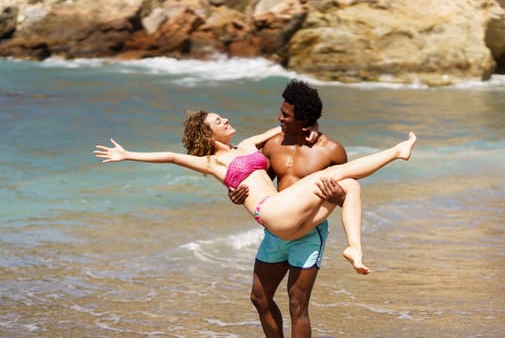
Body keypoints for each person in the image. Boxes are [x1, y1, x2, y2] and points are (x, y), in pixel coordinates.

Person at [93, 108, 416, 276]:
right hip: (271, 212)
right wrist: (128, 154)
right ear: (208, 133)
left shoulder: (247, 145)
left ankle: (354, 249)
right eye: (219, 121)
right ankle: (397, 152)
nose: (226, 120)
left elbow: (282, 127)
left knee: (348, 185)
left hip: (287, 219)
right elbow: (171, 156)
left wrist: (304, 118)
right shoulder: (211, 161)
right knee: (332, 174)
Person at [227, 79, 357, 337]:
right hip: (276, 230)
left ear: (304, 120)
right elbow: (258, 181)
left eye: (286, 115)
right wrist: (237, 194)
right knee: (259, 298)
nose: (279, 118)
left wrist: (339, 196)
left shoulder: (331, 151)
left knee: (298, 306)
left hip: (309, 233)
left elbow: (349, 193)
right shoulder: (273, 145)